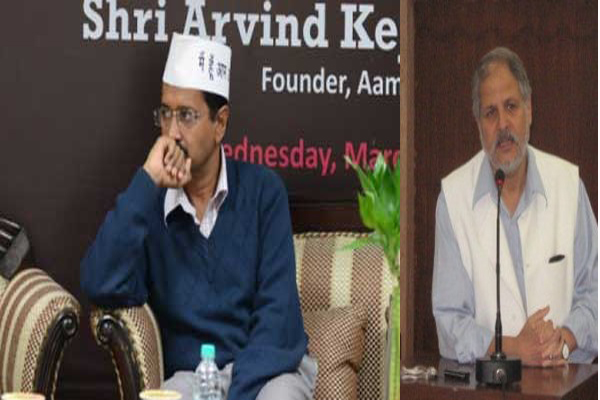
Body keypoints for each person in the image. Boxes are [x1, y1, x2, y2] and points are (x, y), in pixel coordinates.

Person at [80, 33, 317, 400]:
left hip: (267, 372)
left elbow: (277, 319)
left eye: (187, 116)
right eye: (165, 113)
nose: (172, 132)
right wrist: (147, 181)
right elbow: (99, 283)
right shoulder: (150, 204)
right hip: (192, 377)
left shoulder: (263, 192)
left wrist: (234, 394)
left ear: (220, 123)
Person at [432, 47, 598, 367]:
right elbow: (450, 323)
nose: (503, 124)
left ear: (529, 109)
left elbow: (595, 292)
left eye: (511, 106)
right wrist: (514, 349)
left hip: (566, 379)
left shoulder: (568, 185)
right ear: (478, 123)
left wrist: (564, 339)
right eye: (490, 113)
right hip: (489, 385)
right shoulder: (453, 198)